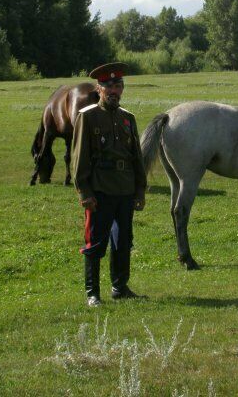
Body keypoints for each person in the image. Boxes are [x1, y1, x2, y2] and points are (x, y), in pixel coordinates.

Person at [70, 62, 147, 306]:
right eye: (109, 86)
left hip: (125, 189)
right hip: (100, 191)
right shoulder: (89, 117)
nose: (114, 90)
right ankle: (93, 293)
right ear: (98, 89)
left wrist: (140, 190)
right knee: (95, 243)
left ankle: (120, 287)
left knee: (123, 241)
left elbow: (137, 157)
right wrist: (84, 191)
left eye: (118, 86)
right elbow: (78, 157)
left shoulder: (128, 119)